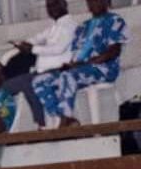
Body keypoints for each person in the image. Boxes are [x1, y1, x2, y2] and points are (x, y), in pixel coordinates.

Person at [33, 0, 127, 128]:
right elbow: (76, 54)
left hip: (102, 69)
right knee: (40, 80)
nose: (94, 4)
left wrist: (89, 62)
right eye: (91, 1)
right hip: (79, 69)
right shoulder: (83, 27)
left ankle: (64, 121)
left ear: (107, 2)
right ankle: (64, 118)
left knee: (68, 76)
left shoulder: (115, 20)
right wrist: (70, 65)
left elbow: (114, 51)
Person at [2, 0, 76, 129]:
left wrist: (32, 49)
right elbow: (37, 38)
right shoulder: (55, 27)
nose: (51, 8)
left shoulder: (69, 25)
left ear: (64, 4)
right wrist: (23, 44)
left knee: (25, 83)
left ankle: (43, 124)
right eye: (49, 6)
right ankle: (42, 123)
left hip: (58, 71)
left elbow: (58, 49)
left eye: (55, 4)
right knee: (8, 87)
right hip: (42, 71)